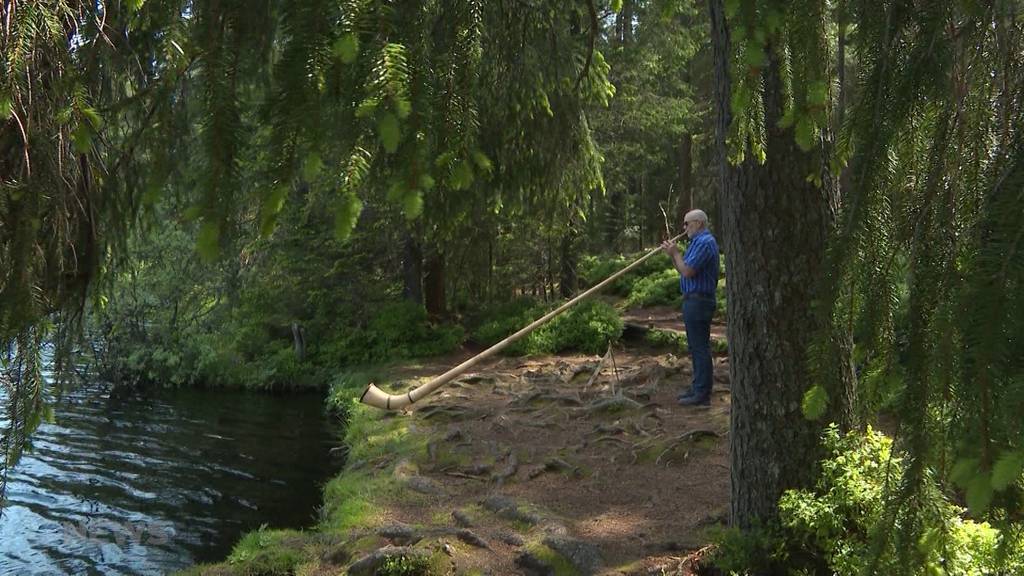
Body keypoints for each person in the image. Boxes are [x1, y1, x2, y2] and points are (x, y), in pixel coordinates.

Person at [660, 209, 720, 406]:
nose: (684, 228)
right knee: (695, 347)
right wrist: (673, 255)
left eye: (687, 224)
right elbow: (683, 266)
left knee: (700, 347)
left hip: (699, 301)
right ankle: (697, 387)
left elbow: (687, 271)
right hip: (692, 300)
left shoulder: (705, 242)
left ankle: (702, 394)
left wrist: (675, 253)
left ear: (699, 223)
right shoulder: (696, 243)